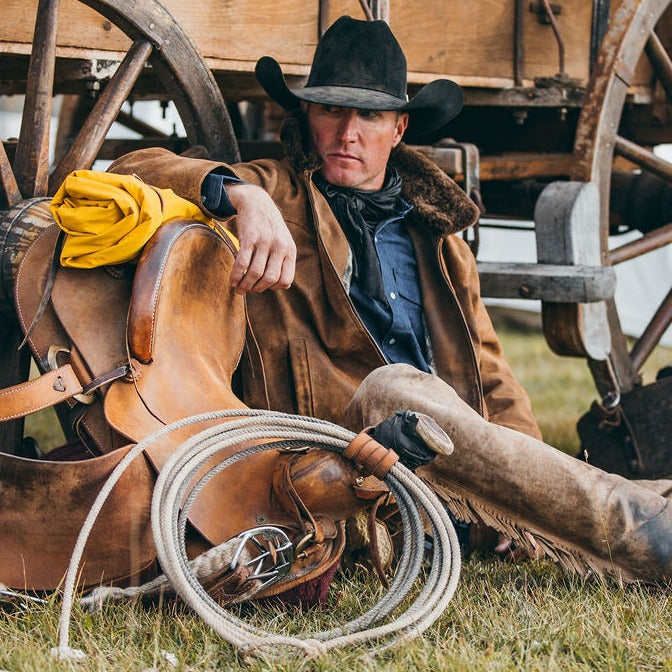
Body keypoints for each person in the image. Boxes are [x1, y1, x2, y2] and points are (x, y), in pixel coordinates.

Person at [109, 16, 672, 583]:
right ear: (307, 114)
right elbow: (132, 169)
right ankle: (646, 531)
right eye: (330, 109)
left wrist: (521, 500)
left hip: (439, 474)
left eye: (370, 115)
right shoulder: (276, 190)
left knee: (423, 397)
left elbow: (492, 377)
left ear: (399, 129)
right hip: (338, 473)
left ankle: (644, 517)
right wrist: (244, 196)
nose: (347, 132)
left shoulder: (442, 241)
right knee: (393, 388)